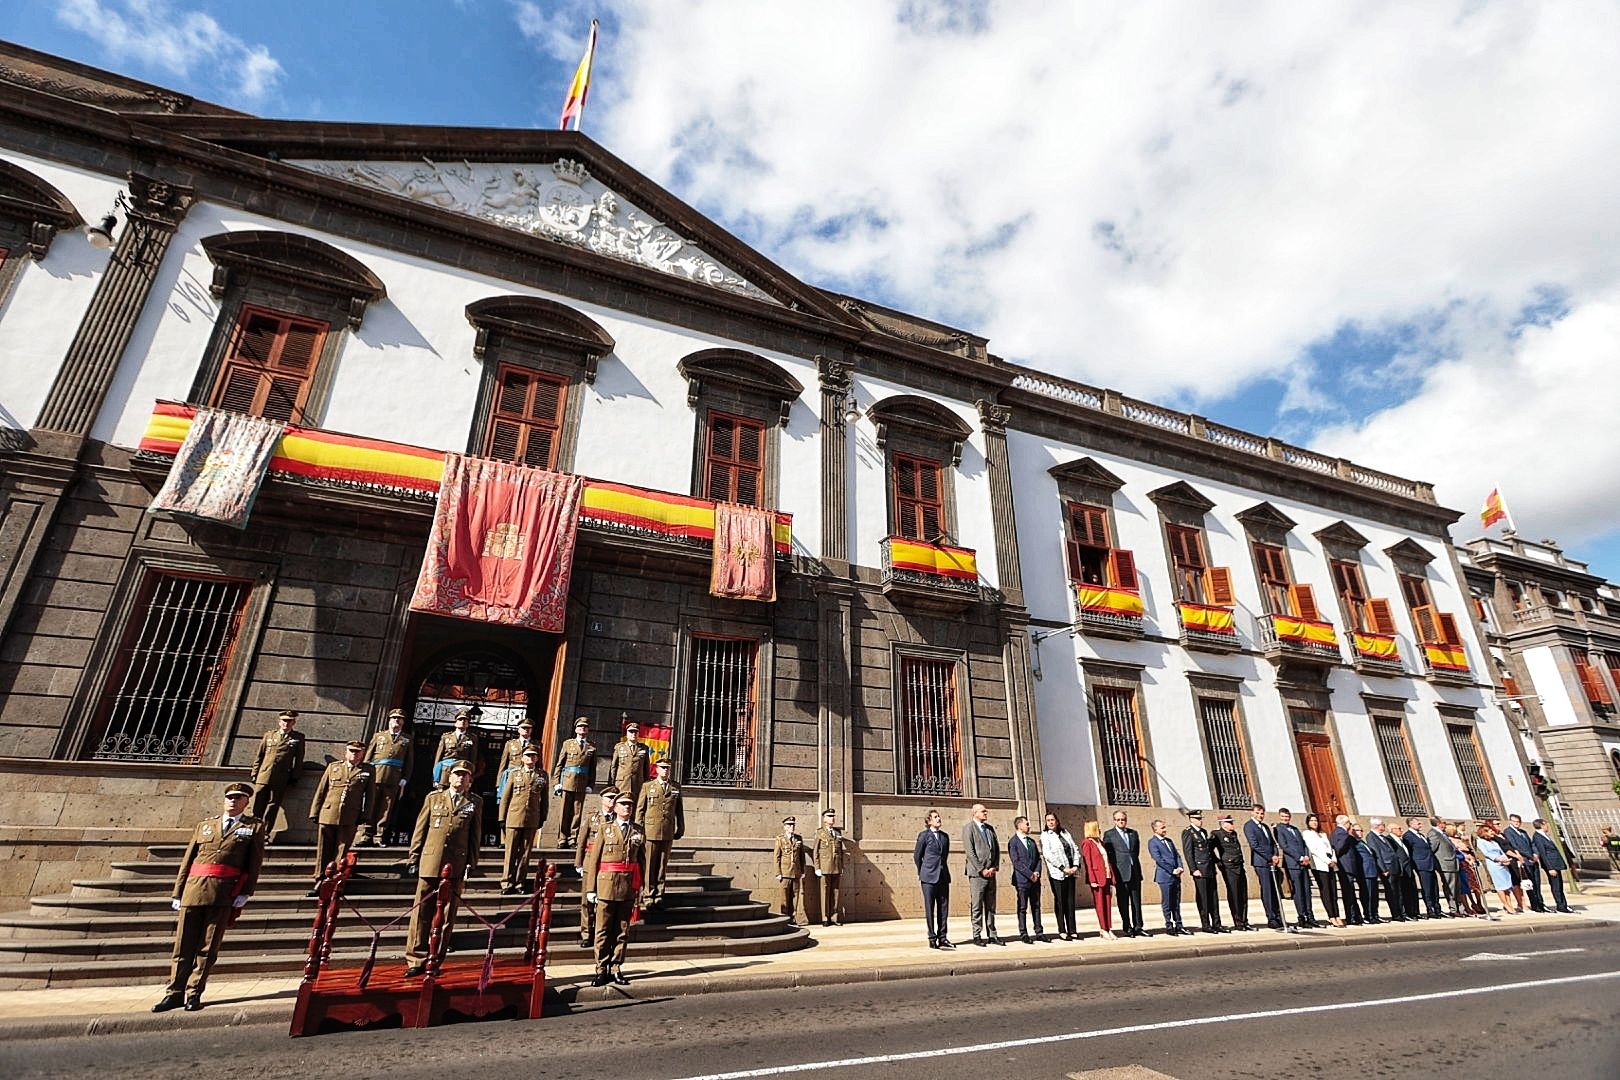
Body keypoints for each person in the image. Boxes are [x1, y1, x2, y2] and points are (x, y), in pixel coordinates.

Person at [152, 782, 265, 1013]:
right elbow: (188, 860)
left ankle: (194, 992)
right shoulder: (205, 825)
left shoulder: (253, 827)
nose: (233, 801)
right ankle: (174, 992)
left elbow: (254, 863)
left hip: (223, 893)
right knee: (183, 946)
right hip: (193, 891)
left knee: (207, 947)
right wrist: (178, 891)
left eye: (239, 798)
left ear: (246, 802)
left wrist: (245, 892)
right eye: (230, 797)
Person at [403, 762, 482, 977]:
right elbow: (421, 829)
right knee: (422, 911)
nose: (460, 779)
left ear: (470, 781)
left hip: (456, 863)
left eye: (465, 776)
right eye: (457, 775)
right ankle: (415, 958)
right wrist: (414, 857)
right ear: (449, 777)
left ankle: (435, 958)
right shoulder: (433, 798)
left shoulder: (474, 803)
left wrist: (471, 863)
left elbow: (475, 836)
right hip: (431, 861)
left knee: (447, 914)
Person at [582, 792, 643, 986]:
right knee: (602, 930)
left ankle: (616, 967)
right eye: (623, 804)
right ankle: (601, 968)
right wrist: (590, 889)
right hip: (606, 886)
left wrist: (641, 887)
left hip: (627, 886)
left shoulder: (637, 831)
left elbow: (642, 862)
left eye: (630, 805)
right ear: (615, 807)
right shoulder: (604, 829)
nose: (627, 808)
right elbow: (594, 861)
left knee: (622, 930)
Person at [306, 740, 374, 895]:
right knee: (324, 849)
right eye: (351, 751)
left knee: (341, 850)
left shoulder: (368, 770)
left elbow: (370, 796)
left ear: (363, 753)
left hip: (350, 815)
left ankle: (335, 880)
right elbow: (321, 791)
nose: (354, 754)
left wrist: (366, 815)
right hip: (328, 813)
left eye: (358, 752)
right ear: (346, 752)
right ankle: (320, 879)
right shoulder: (334, 767)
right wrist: (315, 812)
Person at [357, 709, 412, 846]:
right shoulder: (379, 736)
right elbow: (369, 756)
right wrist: (365, 773)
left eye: (399, 719)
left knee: (386, 808)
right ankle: (365, 834)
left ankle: (378, 836)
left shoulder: (406, 739)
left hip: (394, 778)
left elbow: (409, 761)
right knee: (370, 805)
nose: (396, 721)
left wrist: (405, 777)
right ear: (389, 720)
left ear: (403, 722)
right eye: (394, 718)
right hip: (376, 775)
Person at [498, 746, 547, 894]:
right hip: (514, 816)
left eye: (533, 756)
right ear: (522, 758)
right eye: (528, 756)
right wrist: (502, 817)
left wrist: (543, 817)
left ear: (537, 758)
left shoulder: (542, 775)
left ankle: (520, 882)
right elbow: (505, 797)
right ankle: (507, 882)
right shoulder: (515, 774)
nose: (530, 758)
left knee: (525, 853)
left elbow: (544, 799)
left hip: (532, 817)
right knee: (511, 851)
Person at [249, 709, 305, 842]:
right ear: (279, 722)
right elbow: (259, 755)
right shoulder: (269, 735)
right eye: (284, 720)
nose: (286, 723)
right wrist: (255, 772)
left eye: (289, 721)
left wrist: (295, 776)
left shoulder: (298, 738)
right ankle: (254, 830)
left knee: (273, 805)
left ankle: (265, 833)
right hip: (264, 775)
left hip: (281, 777)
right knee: (258, 804)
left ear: (294, 722)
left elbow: (299, 759)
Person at [636, 757, 684, 908]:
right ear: (656, 769)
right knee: (649, 864)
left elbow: (679, 810)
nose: (665, 770)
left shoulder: (675, 787)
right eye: (662, 768)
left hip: (667, 831)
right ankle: (648, 894)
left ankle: (659, 893)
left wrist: (681, 828)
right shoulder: (648, 786)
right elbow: (640, 810)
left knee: (662, 865)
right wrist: (638, 829)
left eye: (668, 768)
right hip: (650, 831)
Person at [575, 787, 618, 948]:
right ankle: (586, 933)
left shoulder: (617, 819)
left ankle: (602, 932)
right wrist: (578, 863)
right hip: (590, 862)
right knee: (587, 901)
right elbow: (581, 841)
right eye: (609, 798)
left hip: (607, 864)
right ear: (602, 800)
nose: (612, 801)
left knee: (604, 901)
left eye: (614, 799)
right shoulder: (592, 817)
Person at [553, 717, 597, 847]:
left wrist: (590, 784)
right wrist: (556, 781)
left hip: (582, 783)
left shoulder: (592, 746)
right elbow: (559, 764)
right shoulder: (568, 744)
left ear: (588, 730)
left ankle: (573, 838)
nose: (582, 729)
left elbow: (592, 768)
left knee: (577, 813)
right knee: (564, 812)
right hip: (567, 781)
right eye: (580, 727)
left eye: (585, 727)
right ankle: (562, 838)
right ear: (576, 729)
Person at [963, 803, 1003, 945]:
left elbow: (997, 849)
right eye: (983, 811)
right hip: (977, 874)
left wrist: (994, 867)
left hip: (991, 873)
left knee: (991, 905)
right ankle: (977, 935)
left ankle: (992, 934)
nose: (986, 812)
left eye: (986, 810)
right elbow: (970, 852)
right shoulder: (969, 828)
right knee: (977, 905)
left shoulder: (990, 829)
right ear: (974, 813)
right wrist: (982, 869)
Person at [1102, 810, 1144, 938]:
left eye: (1123, 819)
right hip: (1121, 873)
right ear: (1114, 821)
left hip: (1134, 871)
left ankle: (1138, 926)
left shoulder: (1133, 833)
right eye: (1119, 820)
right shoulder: (1109, 834)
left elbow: (1135, 851)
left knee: (1136, 901)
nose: (1121, 822)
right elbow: (1109, 855)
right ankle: (1127, 926)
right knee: (1123, 901)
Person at [1040, 811, 1081, 941]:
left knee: (1070, 901)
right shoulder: (1045, 835)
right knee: (1060, 902)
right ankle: (1062, 930)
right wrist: (1063, 868)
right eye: (1048, 820)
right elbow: (1048, 855)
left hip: (1071, 871)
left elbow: (1074, 849)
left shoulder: (1065, 833)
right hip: (1058, 873)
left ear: (1057, 821)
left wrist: (1075, 865)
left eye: (1053, 820)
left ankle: (1072, 929)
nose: (1051, 822)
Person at [914, 809, 952, 948]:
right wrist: (922, 871)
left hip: (943, 877)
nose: (939, 819)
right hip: (928, 877)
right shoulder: (924, 836)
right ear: (929, 821)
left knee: (943, 908)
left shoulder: (945, 837)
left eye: (939, 816)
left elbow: (945, 856)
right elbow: (917, 856)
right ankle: (932, 937)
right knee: (930, 907)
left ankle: (943, 937)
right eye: (935, 817)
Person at [1243, 805, 1285, 930]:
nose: (1260, 815)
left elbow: (1273, 843)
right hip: (1261, 862)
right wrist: (1269, 856)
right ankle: (1271, 918)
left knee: (1274, 890)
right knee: (1267, 890)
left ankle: (1278, 916)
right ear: (1252, 813)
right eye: (1257, 813)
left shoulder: (1265, 826)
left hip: (1272, 861)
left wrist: (1276, 855)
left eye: (1262, 813)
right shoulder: (1249, 826)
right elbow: (1254, 845)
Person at [1181, 809, 1222, 933]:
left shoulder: (1203, 832)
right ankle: (1206, 924)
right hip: (1200, 869)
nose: (1201, 821)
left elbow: (1208, 851)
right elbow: (1188, 852)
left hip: (1209, 868)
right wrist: (1193, 869)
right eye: (1198, 819)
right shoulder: (1188, 832)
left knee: (1213, 897)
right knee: (1203, 897)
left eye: (1201, 818)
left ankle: (1217, 923)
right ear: (1191, 819)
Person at [1274, 807, 1316, 928]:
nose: (1285, 819)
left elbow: (1303, 844)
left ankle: (1310, 916)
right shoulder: (1279, 829)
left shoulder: (1295, 829)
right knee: (1298, 891)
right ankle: (1302, 917)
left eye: (1287, 817)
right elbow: (1284, 846)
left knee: (1307, 891)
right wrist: (1299, 857)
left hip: (1304, 863)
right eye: (1283, 817)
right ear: (1280, 817)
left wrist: (1306, 856)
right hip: (1293, 864)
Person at [1006, 815, 1044, 942]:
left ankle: (1039, 931)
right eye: (1027, 824)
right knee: (1022, 907)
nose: (1029, 826)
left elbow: (1038, 859)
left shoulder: (1031, 841)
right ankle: (1023, 933)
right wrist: (1029, 874)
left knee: (1036, 906)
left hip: (1035, 880)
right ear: (1019, 826)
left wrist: (1037, 872)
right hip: (1022, 880)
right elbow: (1016, 862)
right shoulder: (1013, 842)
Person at [1302, 813, 1343, 927]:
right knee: (1326, 891)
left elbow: (1330, 848)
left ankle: (1337, 915)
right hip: (1320, 865)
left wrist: (1333, 859)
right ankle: (1331, 916)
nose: (1314, 822)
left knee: (1333, 891)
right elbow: (1314, 849)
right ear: (1308, 823)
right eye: (1312, 821)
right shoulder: (1307, 834)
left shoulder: (1323, 834)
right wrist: (1327, 861)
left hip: (1331, 864)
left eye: (1316, 820)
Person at [1210, 815, 1250, 930]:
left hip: (1239, 865)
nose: (1232, 824)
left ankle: (1244, 920)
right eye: (1230, 822)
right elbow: (1210, 849)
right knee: (1234, 894)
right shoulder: (1217, 834)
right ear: (1223, 824)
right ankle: (1238, 922)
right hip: (1229, 867)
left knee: (1243, 894)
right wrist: (1218, 862)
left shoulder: (1234, 834)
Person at [1079, 820, 1116, 940]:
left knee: (1107, 903)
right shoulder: (1087, 843)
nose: (1100, 829)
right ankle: (1102, 928)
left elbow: (1107, 860)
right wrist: (1092, 879)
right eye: (1097, 827)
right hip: (1097, 877)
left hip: (1106, 875)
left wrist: (1112, 877)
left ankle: (1108, 928)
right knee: (1100, 904)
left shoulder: (1100, 842)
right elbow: (1088, 863)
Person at [1147, 819, 1185, 935]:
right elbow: (1159, 859)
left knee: (1176, 901)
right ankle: (1169, 925)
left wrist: (1180, 867)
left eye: (1165, 827)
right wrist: (1172, 870)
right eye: (1162, 828)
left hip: (1176, 876)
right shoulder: (1153, 842)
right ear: (1155, 829)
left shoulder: (1169, 841)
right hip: (1164, 876)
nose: (1165, 829)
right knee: (1167, 902)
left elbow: (1177, 855)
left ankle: (1179, 925)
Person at [1474, 822, 1521, 914]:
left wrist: (1506, 859)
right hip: (1494, 864)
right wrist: (1498, 859)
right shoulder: (1480, 841)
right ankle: (1506, 905)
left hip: (1503, 864)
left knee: (1507, 885)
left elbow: (1501, 851)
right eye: (1490, 831)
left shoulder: (1494, 842)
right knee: (1500, 886)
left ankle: (1510, 904)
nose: (1492, 832)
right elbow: (1487, 853)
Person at [811, 808, 846, 927]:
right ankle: (825, 918)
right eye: (830, 816)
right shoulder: (819, 833)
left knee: (835, 893)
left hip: (836, 867)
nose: (832, 818)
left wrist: (841, 867)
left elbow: (840, 852)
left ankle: (834, 917)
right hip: (824, 867)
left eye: (833, 816)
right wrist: (817, 867)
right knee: (825, 893)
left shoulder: (837, 833)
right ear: (824, 819)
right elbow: (815, 851)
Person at [1402, 817, 1443, 918]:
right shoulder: (1408, 836)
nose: (1420, 825)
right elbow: (1410, 852)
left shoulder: (1421, 835)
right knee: (1427, 888)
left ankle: (1437, 908)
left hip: (1430, 864)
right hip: (1421, 865)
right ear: (1411, 824)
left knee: (1434, 888)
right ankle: (1430, 908)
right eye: (1418, 823)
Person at [1502, 814, 1544, 913]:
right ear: (1510, 821)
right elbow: (1514, 846)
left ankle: (1540, 903)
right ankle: (1535, 905)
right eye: (1514, 821)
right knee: (1529, 885)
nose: (1516, 823)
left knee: (1537, 883)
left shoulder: (1523, 832)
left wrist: (1535, 854)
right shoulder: (1508, 832)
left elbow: (1531, 844)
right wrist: (1529, 856)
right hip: (1524, 860)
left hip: (1533, 860)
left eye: (1518, 821)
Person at [1532, 819, 1575, 913]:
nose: (1547, 826)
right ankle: (1560, 905)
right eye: (1546, 824)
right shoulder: (1538, 837)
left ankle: (1564, 904)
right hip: (1551, 865)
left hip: (1556, 863)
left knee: (1559, 886)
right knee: (1556, 886)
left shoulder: (1544, 835)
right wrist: (1550, 868)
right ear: (1542, 825)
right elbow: (1543, 853)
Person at [609, 718, 651, 812]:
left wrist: (647, 784)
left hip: (637, 784)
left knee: (635, 809)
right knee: (620, 807)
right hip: (622, 784)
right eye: (631, 732)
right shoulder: (619, 747)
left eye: (635, 732)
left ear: (638, 734)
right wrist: (612, 783)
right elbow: (614, 766)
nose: (633, 734)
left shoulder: (644, 748)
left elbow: (646, 768)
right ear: (627, 734)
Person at [1329, 814, 1364, 925]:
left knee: (1351, 892)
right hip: (1345, 866)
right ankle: (1351, 916)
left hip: (1348, 866)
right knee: (1348, 892)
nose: (1350, 825)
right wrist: (1346, 839)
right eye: (1349, 823)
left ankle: (1356, 916)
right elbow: (1338, 848)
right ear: (1345, 823)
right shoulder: (1340, 833)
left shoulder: (1342, 833)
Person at [1422, 817, 1461, 916]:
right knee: (1450, 888)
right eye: (1444, 822)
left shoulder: (1443, 834)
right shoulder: (1433, 834)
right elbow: (1432, 850)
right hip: (1445, 865)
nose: (1445, 824)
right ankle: (1453, 909)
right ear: (1439, 824)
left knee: (1456, 888)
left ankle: (1458, 908)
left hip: (1453, 863)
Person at [773, 815, 806, 927]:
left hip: (796, 872)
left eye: (793, 825)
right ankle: (784, 918)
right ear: (785, 827)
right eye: (789, 825)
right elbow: (777, 857)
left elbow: (802, 856)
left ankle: (793, 918)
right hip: (785, 872)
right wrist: (778, 873)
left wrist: (802, 870)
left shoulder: (798, 838)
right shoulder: (780, 839)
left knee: (795, 896)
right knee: (784, 897)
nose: (792, 827)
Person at [433, 708, 478, 788]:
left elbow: (473, 759)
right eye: (460, 719)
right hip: (445, 771)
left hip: (461, 771)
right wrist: (436, 777)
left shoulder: (472, 738)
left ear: (468, 724)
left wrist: (471, 778)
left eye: (465, 720)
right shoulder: (446, 737)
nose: (463, 722)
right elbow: (438, 757)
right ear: (455, 723)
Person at [496, 718, 537, 804]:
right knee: (507, 801)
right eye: (523, 728)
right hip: (511, 776)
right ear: (518, 729)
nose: (526, 730)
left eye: (528, 728)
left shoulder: (536, 745)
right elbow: (503, 763)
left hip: (527, 777)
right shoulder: (510, 744)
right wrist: (499, 783)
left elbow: (539, 763)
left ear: (531, 730)